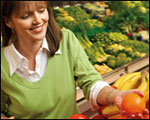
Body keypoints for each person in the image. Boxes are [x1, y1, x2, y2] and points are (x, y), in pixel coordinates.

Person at [1, 1, 149, 119]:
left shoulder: (66, 41)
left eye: (41, 10)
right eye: (26, 16)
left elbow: (91, 83)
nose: (38, 20)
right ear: (9, 22)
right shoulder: (3, 62)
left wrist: (114, 96)